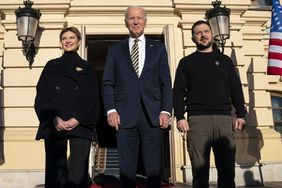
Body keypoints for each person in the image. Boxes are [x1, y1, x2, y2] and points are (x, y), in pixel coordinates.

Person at [102, 6, 172, 188]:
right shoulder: (115, 49)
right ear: (125, 22)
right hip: (124, 115)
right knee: (126, 170)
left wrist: (166, 110)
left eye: (139, 18)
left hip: (153, 114)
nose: (135, 21)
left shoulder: (158, 48)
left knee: (154, 170)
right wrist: (111, 109)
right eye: (131, 18)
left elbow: (165, 82)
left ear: (145, 22)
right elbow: (108, 82)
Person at [173, 20, 247, 188]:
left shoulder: (225, 61)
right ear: (193, 38)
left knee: (227, 171)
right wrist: (179, 117)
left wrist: (241, 114)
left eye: (206, 31)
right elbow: (178, 91)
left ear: (212, 34)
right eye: (198, 33)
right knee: (200, 173)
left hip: (224, 121)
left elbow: (236, 89)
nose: (203, 35)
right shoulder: (186, 63)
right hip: (198, 122)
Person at [34, 26, 100, 188]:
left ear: (78, 42)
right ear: (60, 43)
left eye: (72, 38)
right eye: (64, 38)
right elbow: (42, 95)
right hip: (55, 123)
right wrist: (54, 119)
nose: (68, 41)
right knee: (55, 173)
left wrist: (78, 119)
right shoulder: (51, 65)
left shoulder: (87, 67)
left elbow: (93, 98)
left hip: (80, 123)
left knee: (78, 174)